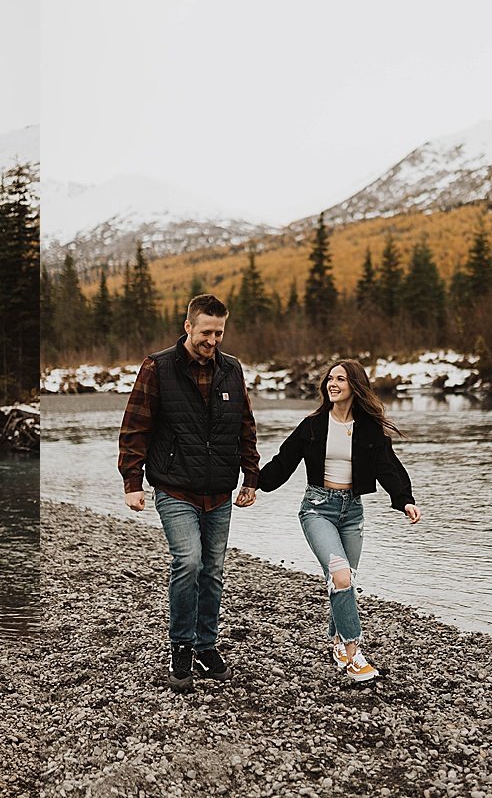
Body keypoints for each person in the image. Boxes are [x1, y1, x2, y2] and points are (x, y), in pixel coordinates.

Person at [118, 293, 260, 691]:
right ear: (188, 326)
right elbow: (135, 425)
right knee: (189, 562)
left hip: (218, 489)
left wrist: (252, 476)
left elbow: (244, 425)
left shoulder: (231, 369)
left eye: (218, 333)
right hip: (174, 486)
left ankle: (206, 645)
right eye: (205, 332)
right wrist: (132, 481)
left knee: (213, 572)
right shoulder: (158, 367)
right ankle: (181, 645)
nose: (212, 340)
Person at [256, 359, 422, 682]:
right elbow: (283, 461)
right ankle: (353, 653)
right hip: (317, 509)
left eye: (340, 379)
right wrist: (254, 482)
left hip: (352, 513)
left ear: (354, 386)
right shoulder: (313, 426)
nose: (332, 384)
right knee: (341, 577)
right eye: (330, 379)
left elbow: (388, 465)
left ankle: (335, 641)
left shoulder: (368, 428)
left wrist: (405, 500)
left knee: (344, 582)